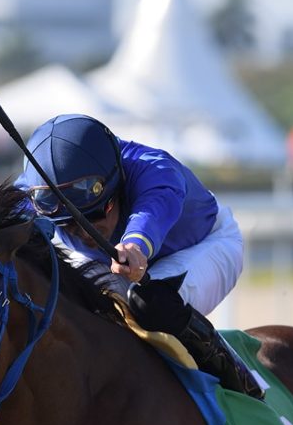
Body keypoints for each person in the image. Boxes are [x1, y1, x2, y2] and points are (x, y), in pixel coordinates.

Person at [16, 113, 263, 399]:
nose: (83, 233)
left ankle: (240, 380)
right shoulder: (33, 191)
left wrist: (134, 247)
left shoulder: (155, 170)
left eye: (95, 214)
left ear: (118, 182)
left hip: (207, 246)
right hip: (112, 264)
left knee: (148, 303)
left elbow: (151, 212)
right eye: (67, 225)